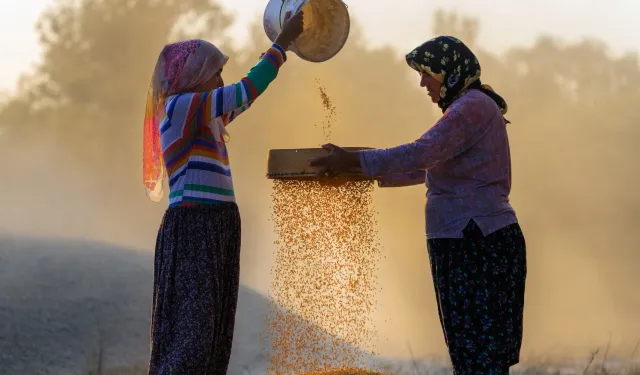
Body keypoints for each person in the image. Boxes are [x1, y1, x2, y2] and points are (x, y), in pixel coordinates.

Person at [309, 35, 527, 375]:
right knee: (473, 354)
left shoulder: (471, 107)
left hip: (476, 239)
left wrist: (356, 160)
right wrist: (356, 168)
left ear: (450, 71)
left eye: (427, 72)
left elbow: (422, 153)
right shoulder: (469, 107)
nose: (423, 82)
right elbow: (427, 166)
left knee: (479, 355)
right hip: (468, 238)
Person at [142, 11, 304, 375]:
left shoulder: (205, 114)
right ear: (193, 77)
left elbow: (245, 97)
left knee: (214, 332)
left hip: (218, 227)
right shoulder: (181, 107)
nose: (220, 79)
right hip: (194, 227)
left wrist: (283, 49)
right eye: (214, 72)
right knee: (193, 337)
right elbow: (244, 89)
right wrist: (281, 45)